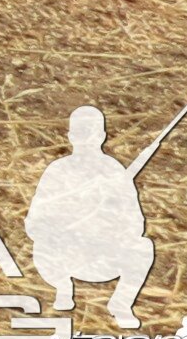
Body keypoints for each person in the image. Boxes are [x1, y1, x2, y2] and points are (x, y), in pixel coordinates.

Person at [24, 106, 156, 327]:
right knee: (42, 246)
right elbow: (35, 222)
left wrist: (109, 221)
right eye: (82, 134)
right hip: (64, 255)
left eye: (93, 133)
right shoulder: (58, 170)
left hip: (103, 255)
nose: (88, 140)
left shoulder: (114, 171)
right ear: (71, 136)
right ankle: (63, 288)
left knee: (143, 247)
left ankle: (121, 304)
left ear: (103, 136)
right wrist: (64, 226)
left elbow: (135, 224)